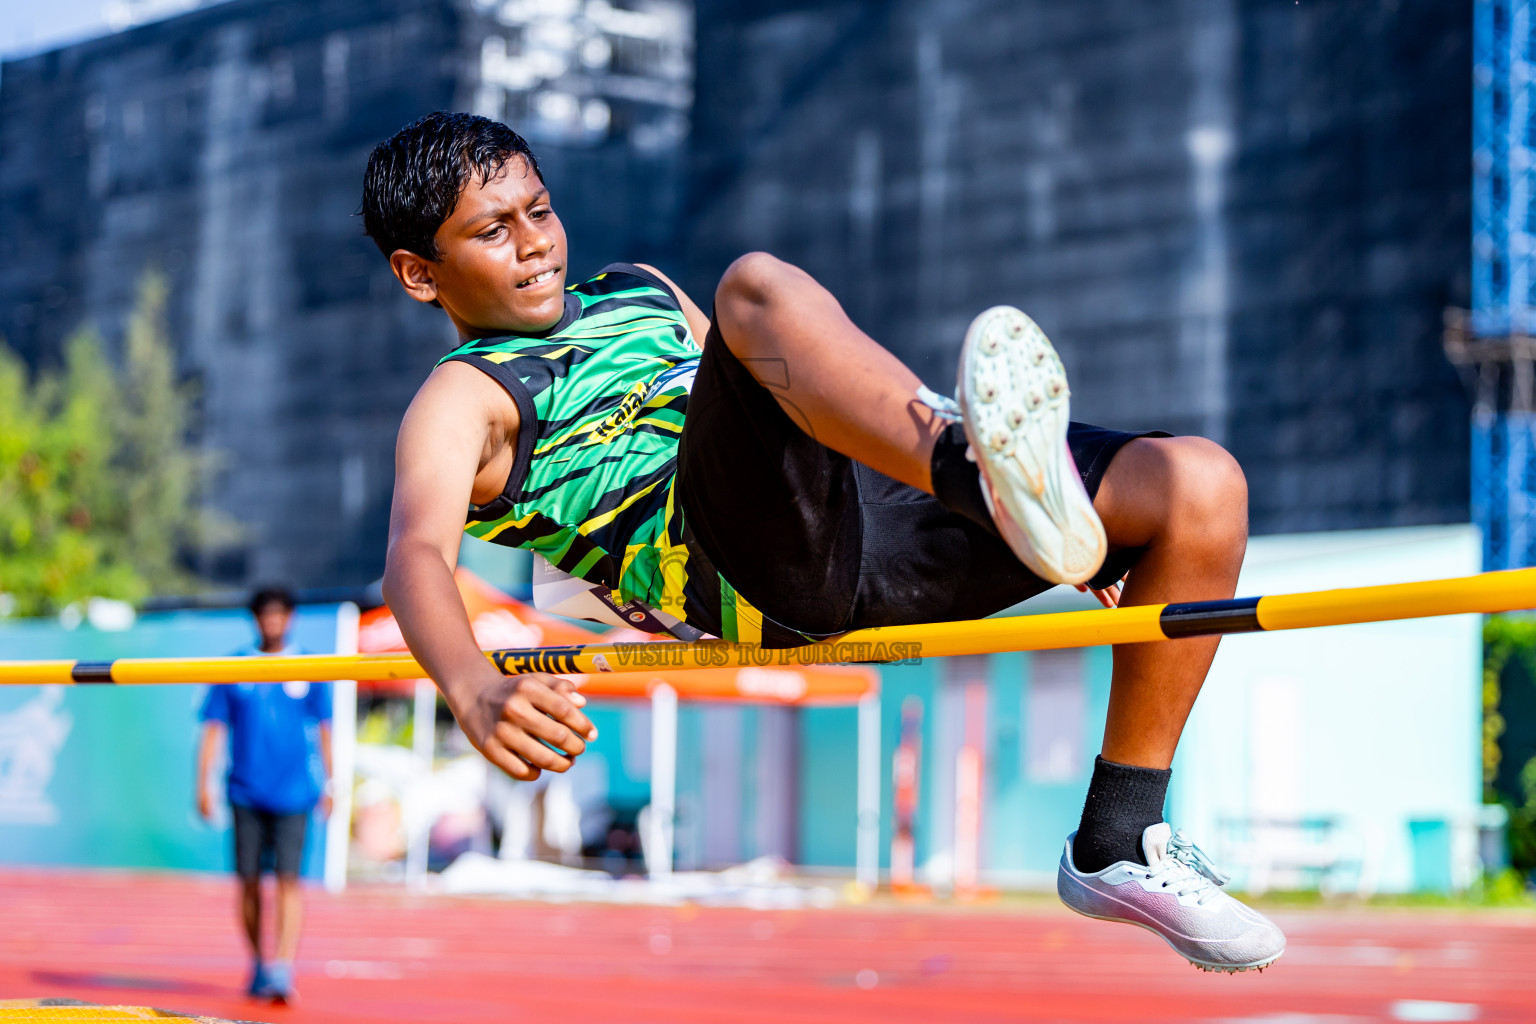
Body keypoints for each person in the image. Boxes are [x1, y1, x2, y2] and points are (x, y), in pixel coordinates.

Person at [364, 112, 1283, 973]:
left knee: (1198, 487)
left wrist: (1065, 537)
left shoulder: (638, 291)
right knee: (755, 288)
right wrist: (474, 684)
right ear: (419, 273)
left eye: (541, 210)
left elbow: (784, 388)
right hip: (739, 566)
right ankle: (985, 478)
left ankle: (1118, 836)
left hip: (868, 512)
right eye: (493, 231)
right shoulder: (465, 396)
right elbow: (413, 556)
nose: (534, 243)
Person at [197, 586, 333, 1002]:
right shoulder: (235, 668)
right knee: (250, 884)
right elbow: (213, 727)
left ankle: (282, 968)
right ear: (255, 619)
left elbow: (325, 727)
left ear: (290, 618)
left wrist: (330, 781)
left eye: (279, 614)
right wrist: (202, 783)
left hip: (295, 793)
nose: (272, 621)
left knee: (290, 882)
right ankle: (258, 961)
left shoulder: (310, 666)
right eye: (264, 614)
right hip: (245, 792)